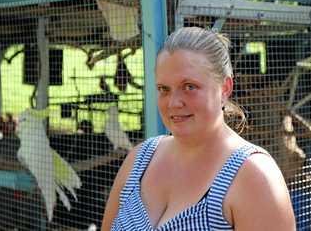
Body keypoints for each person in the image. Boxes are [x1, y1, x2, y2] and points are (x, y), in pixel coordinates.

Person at [101, 27, 296, 230]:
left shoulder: (254, 176)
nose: (174, 103)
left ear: (225, 88)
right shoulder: (139, 159)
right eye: (164, 89)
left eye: (189, 86)